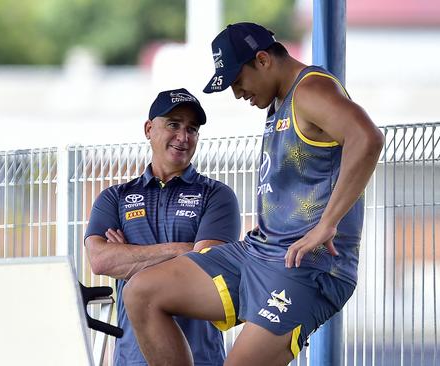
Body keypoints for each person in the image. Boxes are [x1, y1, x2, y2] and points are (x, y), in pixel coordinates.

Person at [123, 22, 385, 365]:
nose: (236, 93)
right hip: (258, 254)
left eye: (237, 80)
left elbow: (367, 139)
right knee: (141, 292)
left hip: (306, 268)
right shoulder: (280, 100)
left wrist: (327, 224)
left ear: (263, 60)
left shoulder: (311, 91)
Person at [84, 88, 242, 366]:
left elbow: (207, 265)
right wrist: (185, 249)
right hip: (132, 358)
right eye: (173, 124)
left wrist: (130, 254)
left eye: (192, 129)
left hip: (200, 357)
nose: (183, 137)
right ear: (148, 129)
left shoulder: (217, 195)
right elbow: (100, 260)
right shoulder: (115, 197)